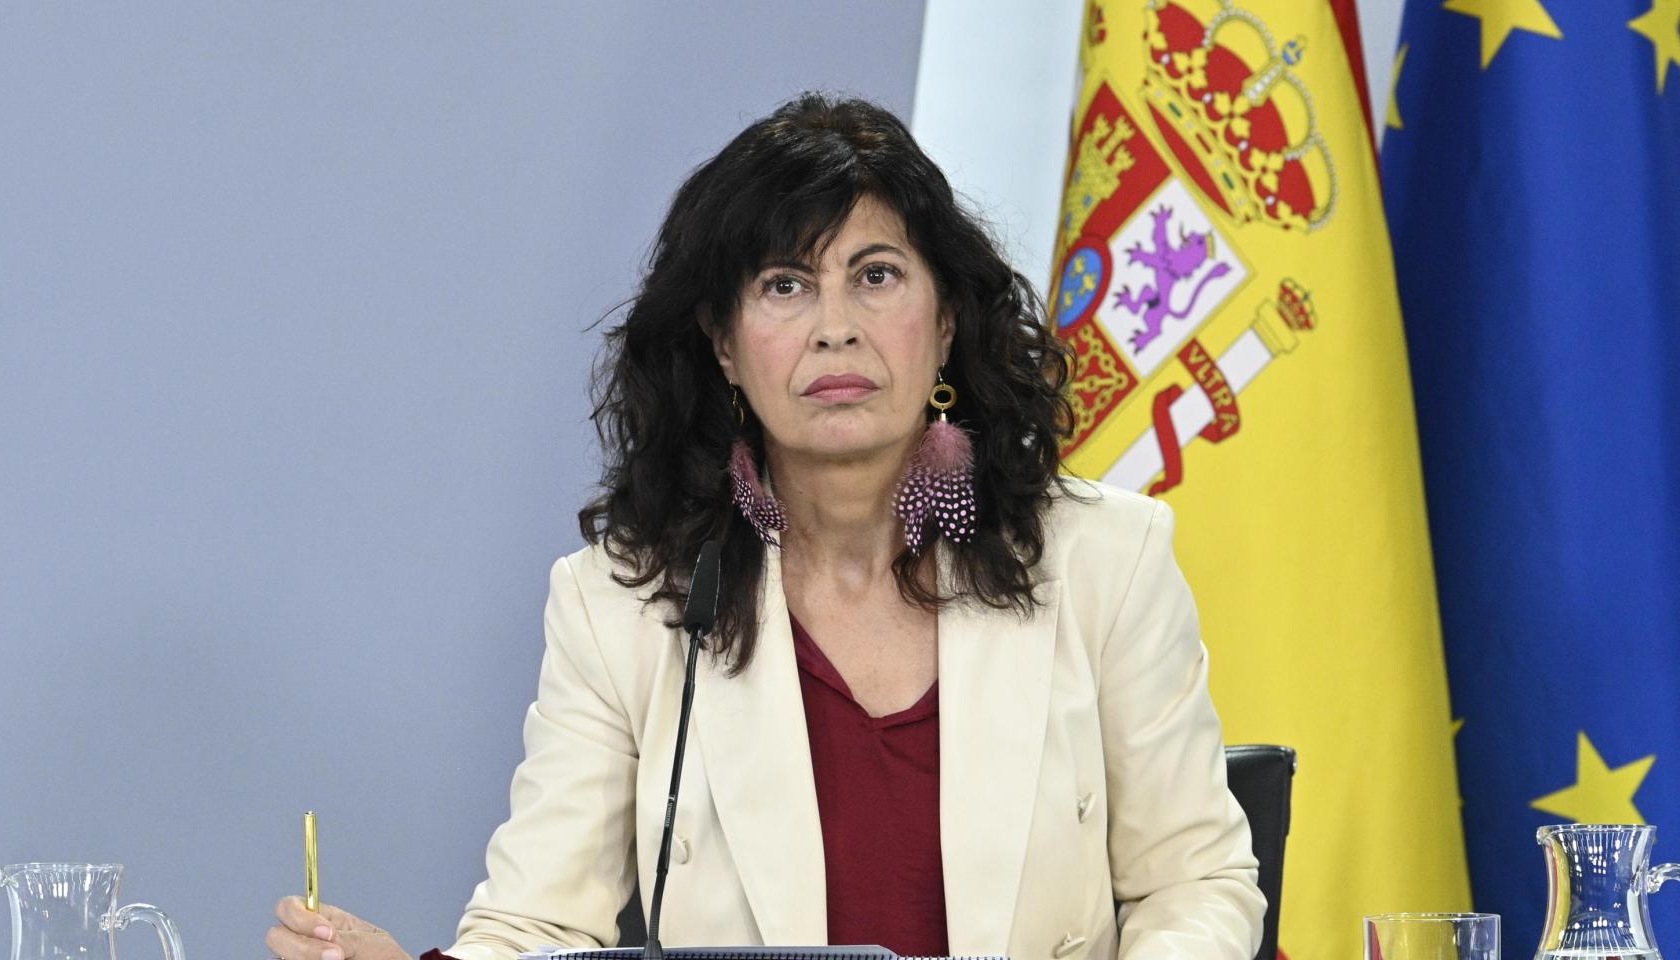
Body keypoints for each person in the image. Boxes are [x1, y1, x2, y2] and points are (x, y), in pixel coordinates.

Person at [266, 92, 1263, 960]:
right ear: (724, 348)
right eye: (784, 286)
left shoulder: (1104, 561)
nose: (836, 326)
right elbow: (539, 927)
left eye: (874, 276)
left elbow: (1195, 884)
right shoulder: (627, 603)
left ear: (945, 321)